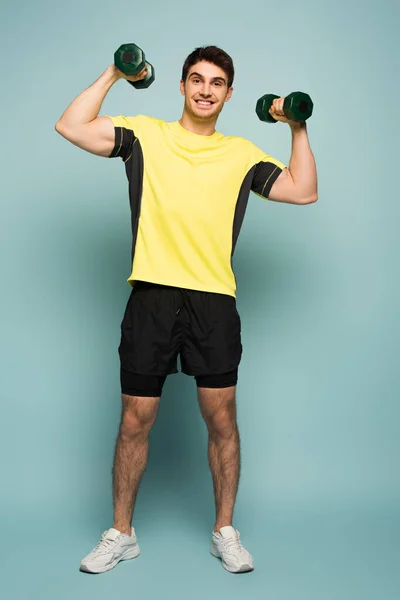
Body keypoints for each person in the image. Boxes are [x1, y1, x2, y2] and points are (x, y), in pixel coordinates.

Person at [55, 45, 318, 575]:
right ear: (180, 86)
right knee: (135, 420)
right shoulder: (145, 137)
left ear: (228, 93)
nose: (204, 89)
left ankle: (225, 530)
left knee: (222, 419)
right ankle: (121, 533)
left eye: (216, 82)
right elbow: (71, 125)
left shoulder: (242, 154)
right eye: (196, 79)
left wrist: (295, 126)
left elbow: (304, 191)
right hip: (150, 296)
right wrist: (117, 72)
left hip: (213, 302)